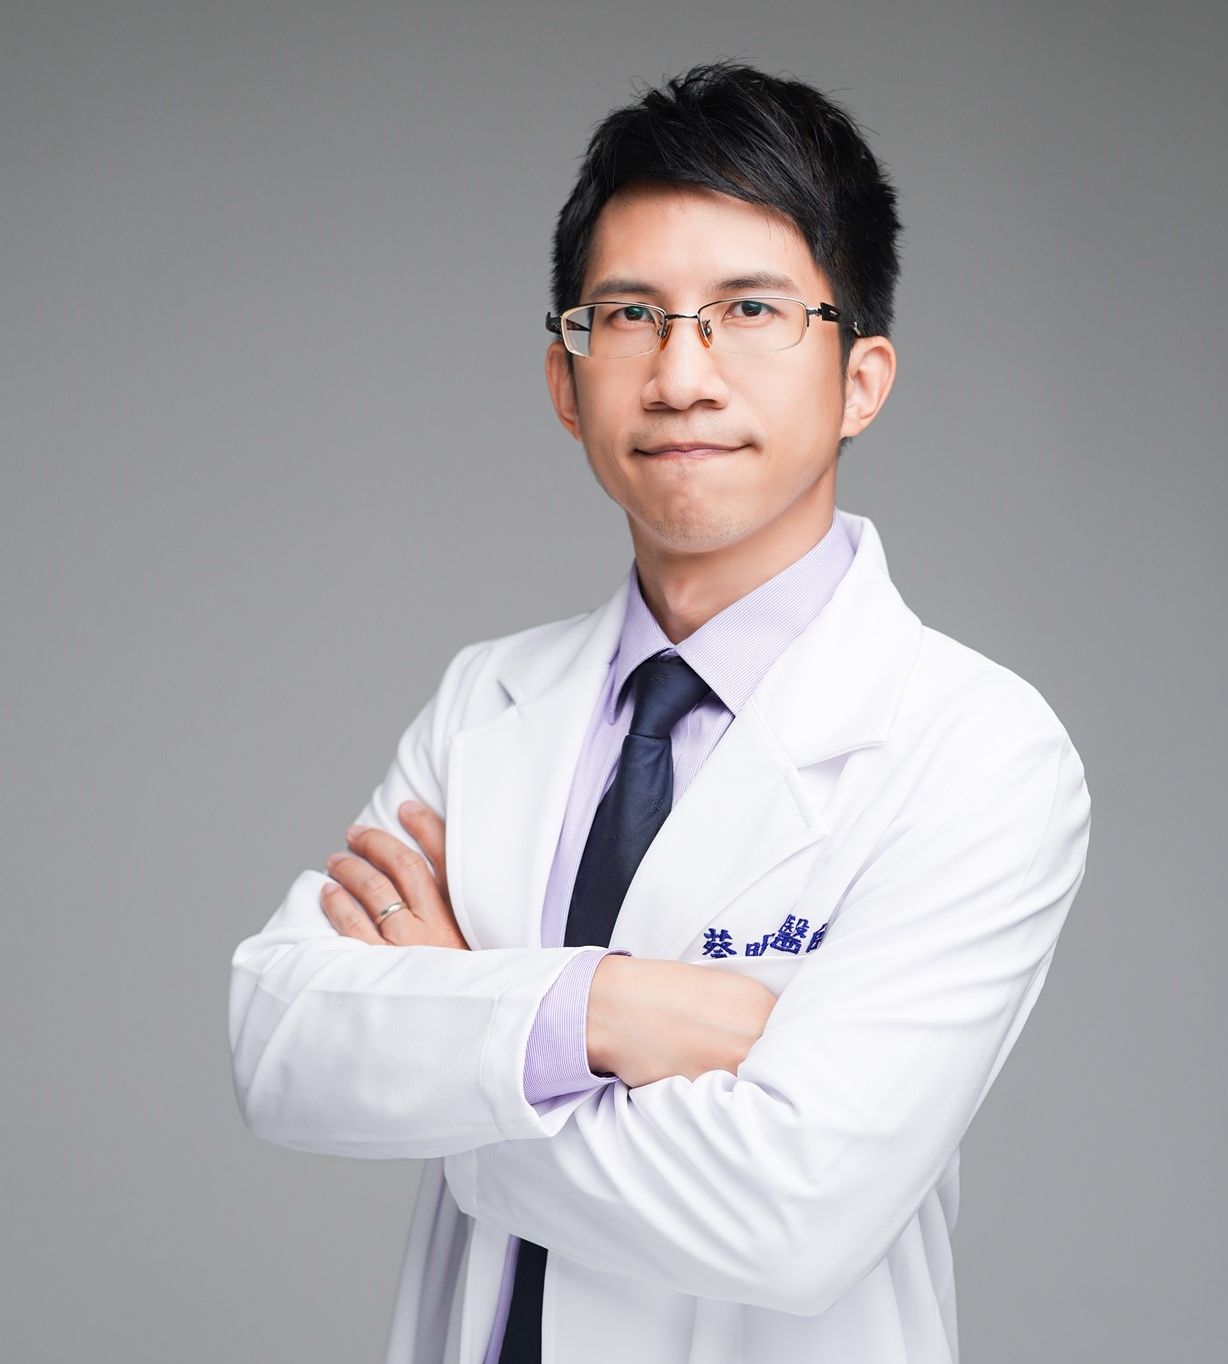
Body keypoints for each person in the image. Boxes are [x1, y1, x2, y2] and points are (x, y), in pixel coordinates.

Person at [228, 60, 1092, 1364]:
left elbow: (789, 1214)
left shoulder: (977, 750)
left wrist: (464, 1044)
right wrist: (612, 1010)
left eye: (749, 310)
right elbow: (280, 1041)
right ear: (564, 380)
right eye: (629, 315)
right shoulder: (487, 700)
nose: (682, 375)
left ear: (861, 378)